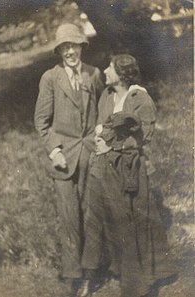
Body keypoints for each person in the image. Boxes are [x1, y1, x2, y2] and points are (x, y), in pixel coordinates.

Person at [81, 54, 177, 296]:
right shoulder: (107, 96)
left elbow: (143, 135)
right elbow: (100, 127)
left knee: (135, 221)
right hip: (106, 168)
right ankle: (117, 271)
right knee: (108, 220)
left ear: (122, 74)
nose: (104, 71)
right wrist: (101, 140)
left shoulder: (139, 98)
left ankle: (142, 281)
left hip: (131, 169)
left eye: (109, 68)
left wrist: (112, 146)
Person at [34, 23, 103, 296]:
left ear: (81, 47)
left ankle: (90, 274)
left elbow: (102, 110)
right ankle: (72, 275)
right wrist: (54, 150)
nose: (70, 52)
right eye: (64, 47)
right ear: (59, 51)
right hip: (62, 161)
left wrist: (100, 137)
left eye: (74, 45)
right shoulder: (50, 79)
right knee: (69, 218)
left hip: (90, 156)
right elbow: (41, 121)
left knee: (91, 216)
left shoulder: (93, 74)